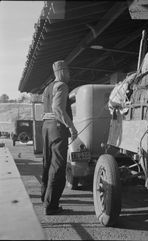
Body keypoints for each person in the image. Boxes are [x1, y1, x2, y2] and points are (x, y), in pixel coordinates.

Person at [41, 60, 78, 215]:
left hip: (46, 127)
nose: (69, 75)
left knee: (47, 163)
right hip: (57, 127)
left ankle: (45, 198)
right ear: (61, 71)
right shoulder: (61, 86)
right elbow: (58, 108)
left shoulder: (46, 88)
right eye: (68, 72)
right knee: (58, 166)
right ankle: (51, 206)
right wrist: (71, 126)